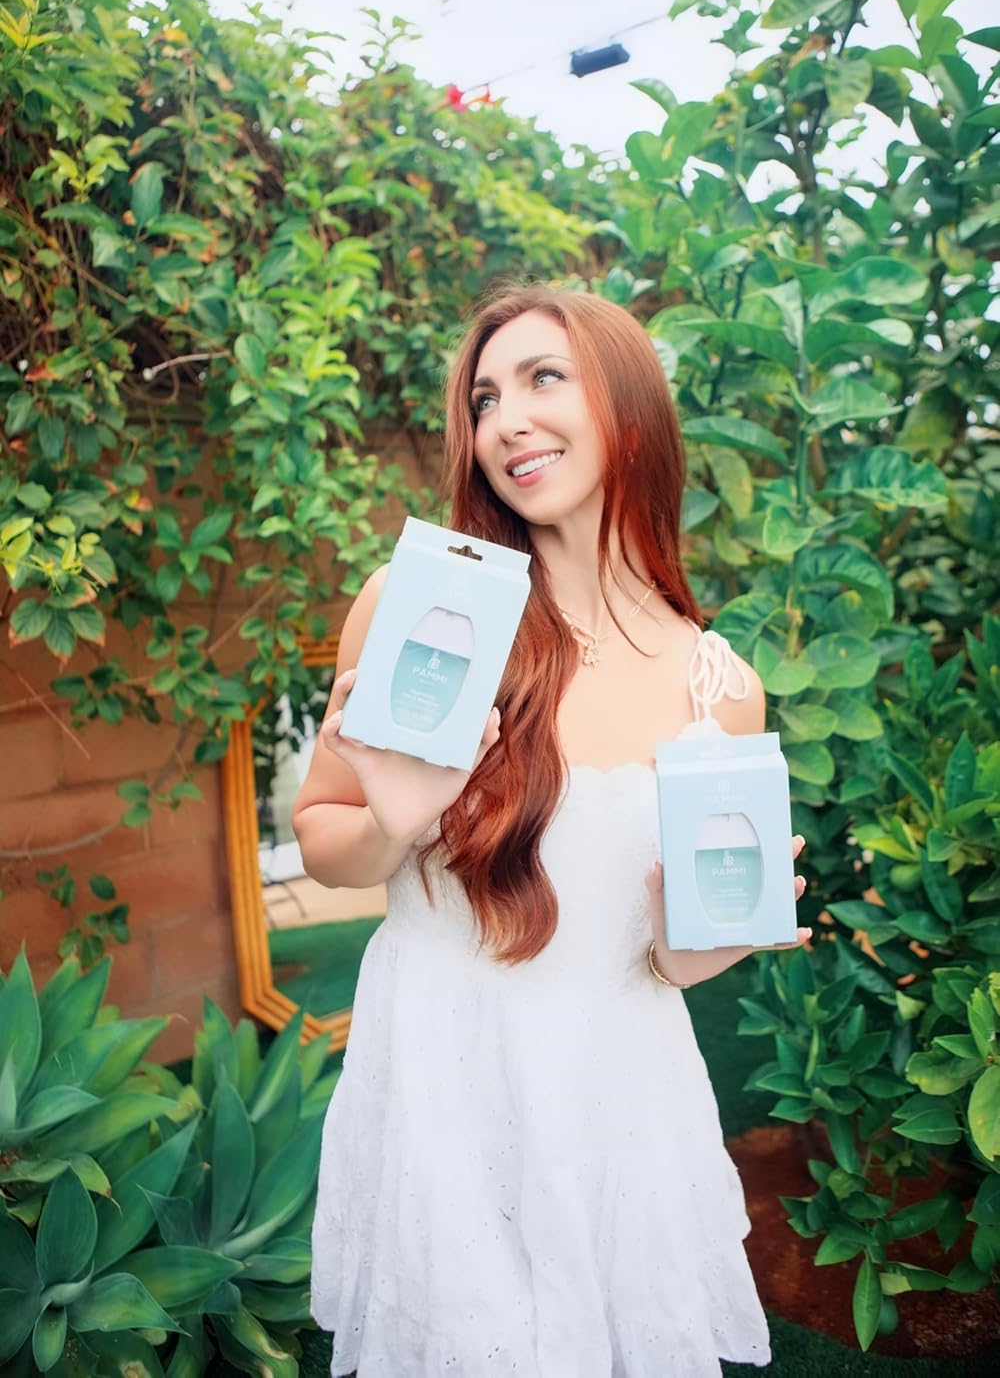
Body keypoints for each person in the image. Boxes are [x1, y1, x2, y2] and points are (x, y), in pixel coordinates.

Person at [294, 283, 811, 1377]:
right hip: (446, 1069)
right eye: (485, 400)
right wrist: (393, 827)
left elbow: (670, 955)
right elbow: (326, 836)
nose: (506, 422)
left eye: (543, 380)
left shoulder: (721, 687)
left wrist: (691, 948)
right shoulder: (424, 607)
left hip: (620, 1088)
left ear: (631, 409)